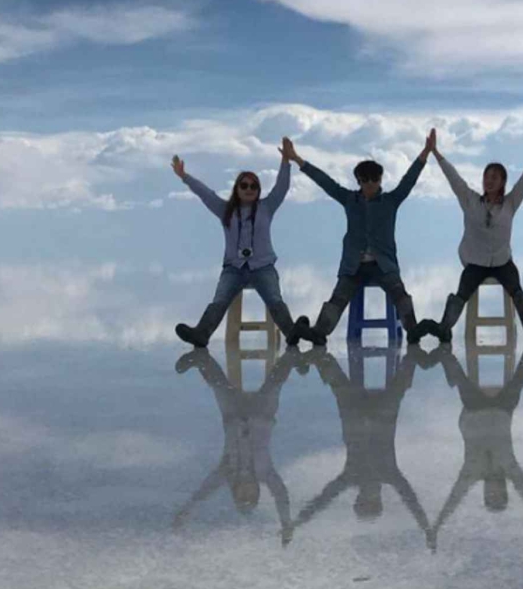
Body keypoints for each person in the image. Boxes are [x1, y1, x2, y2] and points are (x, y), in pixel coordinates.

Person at [284, 130, 436, 347]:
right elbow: (325, 182)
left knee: (400, 294)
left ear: (381, 179)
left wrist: (425, 153)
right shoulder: (349, 199)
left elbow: (408, 180)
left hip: (383, 265)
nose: (371, 184)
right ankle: (317, 331)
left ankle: (412, 330)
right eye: (365, 180)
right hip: (353, 267)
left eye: (375, 179)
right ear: (358, 180)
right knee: (337, 300)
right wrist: (297, 159)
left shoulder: (390, 201)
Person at [292, 347, 435, 548]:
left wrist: (298, 522)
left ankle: (322, 356)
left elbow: (323, 500)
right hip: (381, 412)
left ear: (359, 498)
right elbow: (410, 499)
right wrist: (426, 527)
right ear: (378, 500)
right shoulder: (387, 474)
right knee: (393, 395)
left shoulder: (353, 476)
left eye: (365, 502)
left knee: (345, 395)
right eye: (372, 502)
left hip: (356, 412)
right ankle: (411, 355)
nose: (369, 496)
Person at [171, 138, 302, 348]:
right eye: (244, 185)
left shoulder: (267, 207)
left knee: (275, 300)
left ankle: (291, 332)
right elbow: (206, 194)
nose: (249, 188)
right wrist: (184, 176)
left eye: (253, 186)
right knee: (219, 301)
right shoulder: (225, 210)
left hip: (262, 267)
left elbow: (282, 187)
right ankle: (201, 334)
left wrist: (286, 161)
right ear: (237, 188)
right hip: (234, 267)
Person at [416, 138, 523, 343]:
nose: (489, 180)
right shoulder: (470, 200)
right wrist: (435, 152)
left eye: (494, 177)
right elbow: (454, 179)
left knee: (517, 290)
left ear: (503, 182)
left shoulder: (510, 203)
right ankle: (443, 328)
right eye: (486, 177)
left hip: (502, 262)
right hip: (475, 263)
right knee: (461, 294)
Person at [171, 348, 305, 546]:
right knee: (274, 386)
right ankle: (291, 354)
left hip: (233, 415)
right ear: (257, 492)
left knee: (219, 388)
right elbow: (281, 494)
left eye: (243, 496)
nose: (247, 492)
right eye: (251, 496)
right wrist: (286, 522)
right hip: (262, 414)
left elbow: (204, 491)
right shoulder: (265, 474)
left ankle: (201, 357)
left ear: (236, 493)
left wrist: (187, 510)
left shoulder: (227, 472)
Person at [424, 342, 523, 548]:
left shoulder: (472, 474)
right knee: (517, 384)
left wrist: (436, 527)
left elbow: (453, 499)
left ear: (485, 493)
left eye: (491, 496)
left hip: (474, 410)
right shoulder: (510, 470)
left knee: (463, 384)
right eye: (498, 495)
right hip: (502, 410)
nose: (493, 491)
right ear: (504, 491)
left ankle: (445, 353)